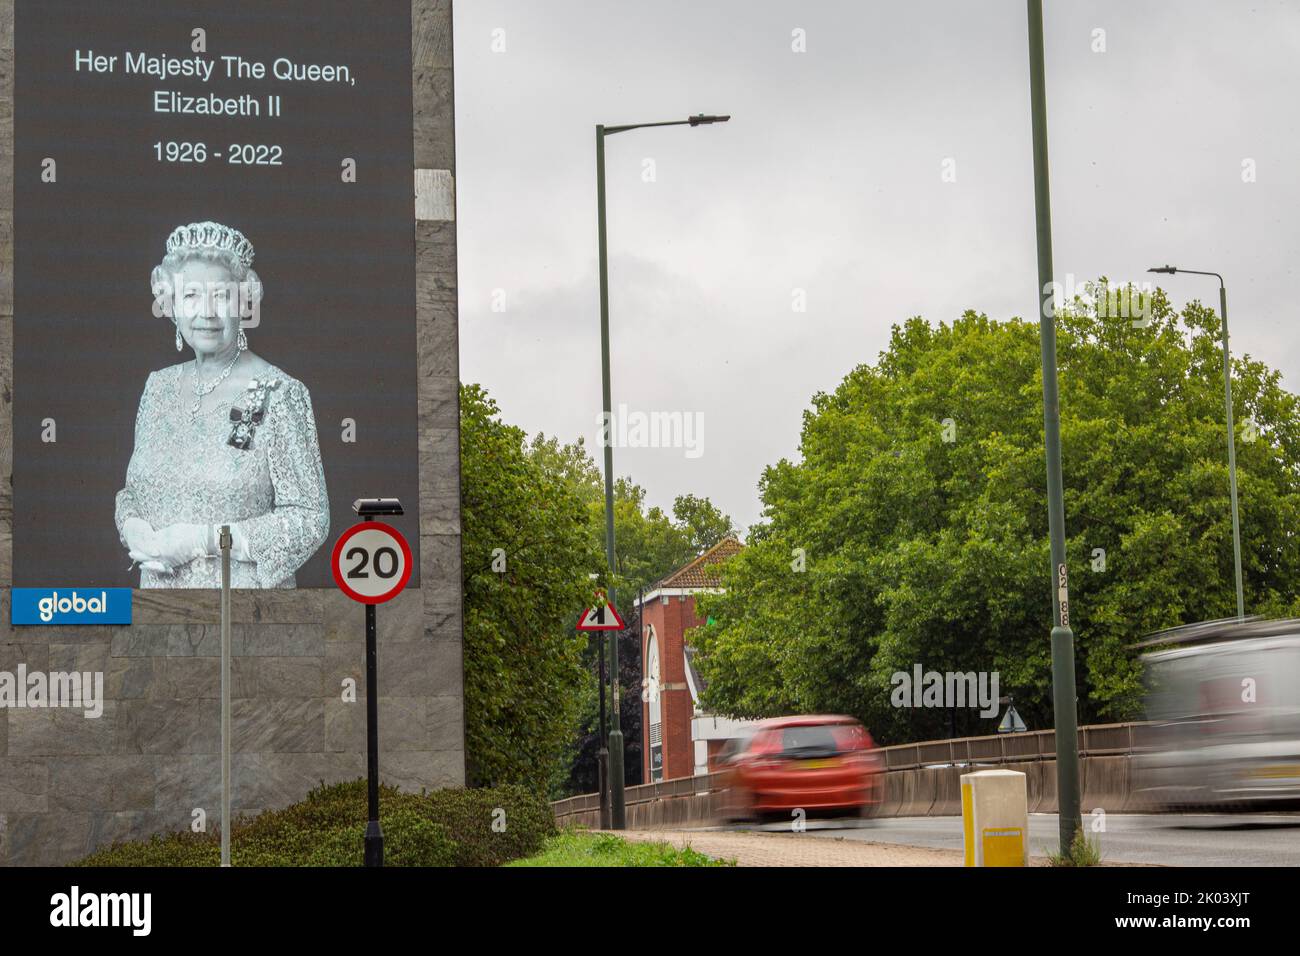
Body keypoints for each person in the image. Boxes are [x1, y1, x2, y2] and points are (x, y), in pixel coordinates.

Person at [115, 221, 329, 587]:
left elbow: (310, 518)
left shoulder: (278, 392)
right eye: (191, 295)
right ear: (171, 306)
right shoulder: (157, 387)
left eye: (221, 296)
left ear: (244, 303)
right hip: (157, 612)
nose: (207, 312)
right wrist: (130, 525)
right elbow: (134, 493)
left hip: (245, 617)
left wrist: (207, 540)